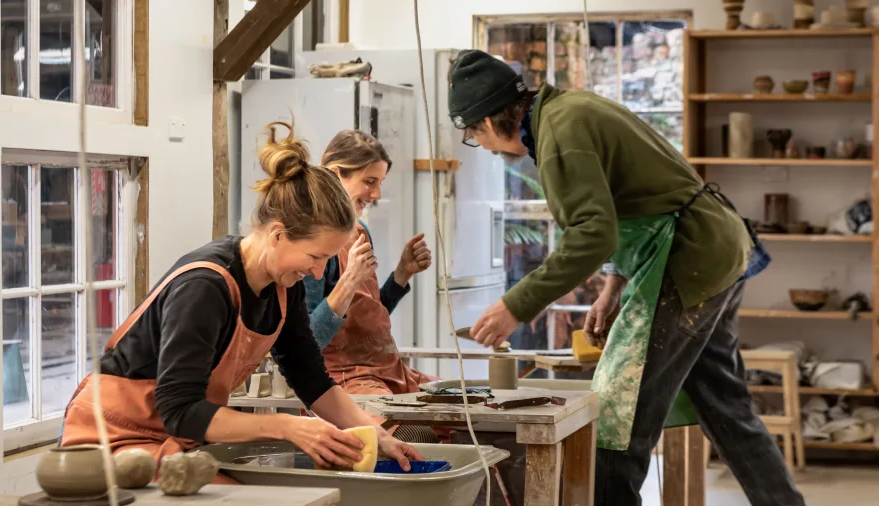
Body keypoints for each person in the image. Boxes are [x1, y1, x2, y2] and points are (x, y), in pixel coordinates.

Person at [447, 50, 804, 505]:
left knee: (620, 411)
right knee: (725, 406)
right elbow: (628, 201)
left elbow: (593, 233)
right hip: (713, 246)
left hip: (687, 254)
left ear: (491, 122)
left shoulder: (561, 133)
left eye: (477, 137)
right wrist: (613, 284)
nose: (488, 148)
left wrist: (515, 304)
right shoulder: (566, 112)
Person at [60, 121, 422, 478]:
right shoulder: (204, 287)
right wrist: (286, 427)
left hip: (173, 440)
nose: (317, 273)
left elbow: (312, 379)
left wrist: (374, 435)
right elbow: (180, 410)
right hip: (114, 439)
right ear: (278, 235)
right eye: (315, 257)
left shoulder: (284, 287)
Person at [303, 130, 440, 443]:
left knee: (464, 412)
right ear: (336, 174)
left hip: (386, 372)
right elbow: (308, 342)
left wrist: (402, 274)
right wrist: (348, 280)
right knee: (416, 437)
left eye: (380, 183)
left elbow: (367, 319)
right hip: (346, 378)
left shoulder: (359, 230)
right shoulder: (312, 241)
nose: (377, 194)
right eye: (369, 181)